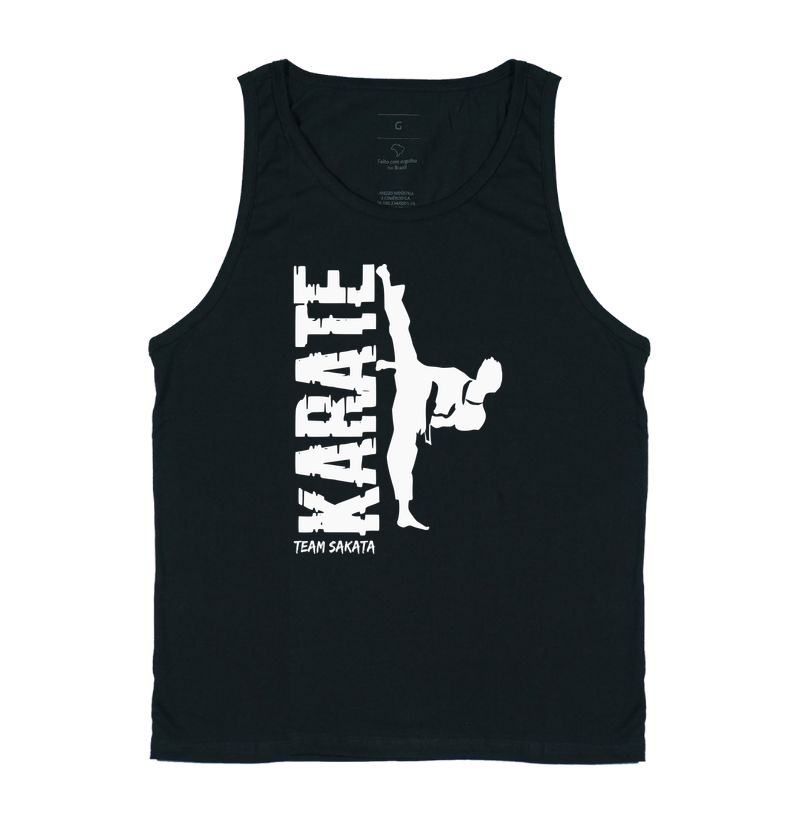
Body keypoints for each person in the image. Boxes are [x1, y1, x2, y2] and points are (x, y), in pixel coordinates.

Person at [376, 264, 503, 530]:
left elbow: (453, 423)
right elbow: (423, 371)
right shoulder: (456, 377)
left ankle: (403, 512)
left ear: (490, 386)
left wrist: (434, 418)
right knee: (399, 329)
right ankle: (386, 284)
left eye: (487, 376)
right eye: (484, 370)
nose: (482, 374)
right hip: (413, 387)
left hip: (418, 412)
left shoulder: (477, 416)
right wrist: (393, 365)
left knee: (401, 453)